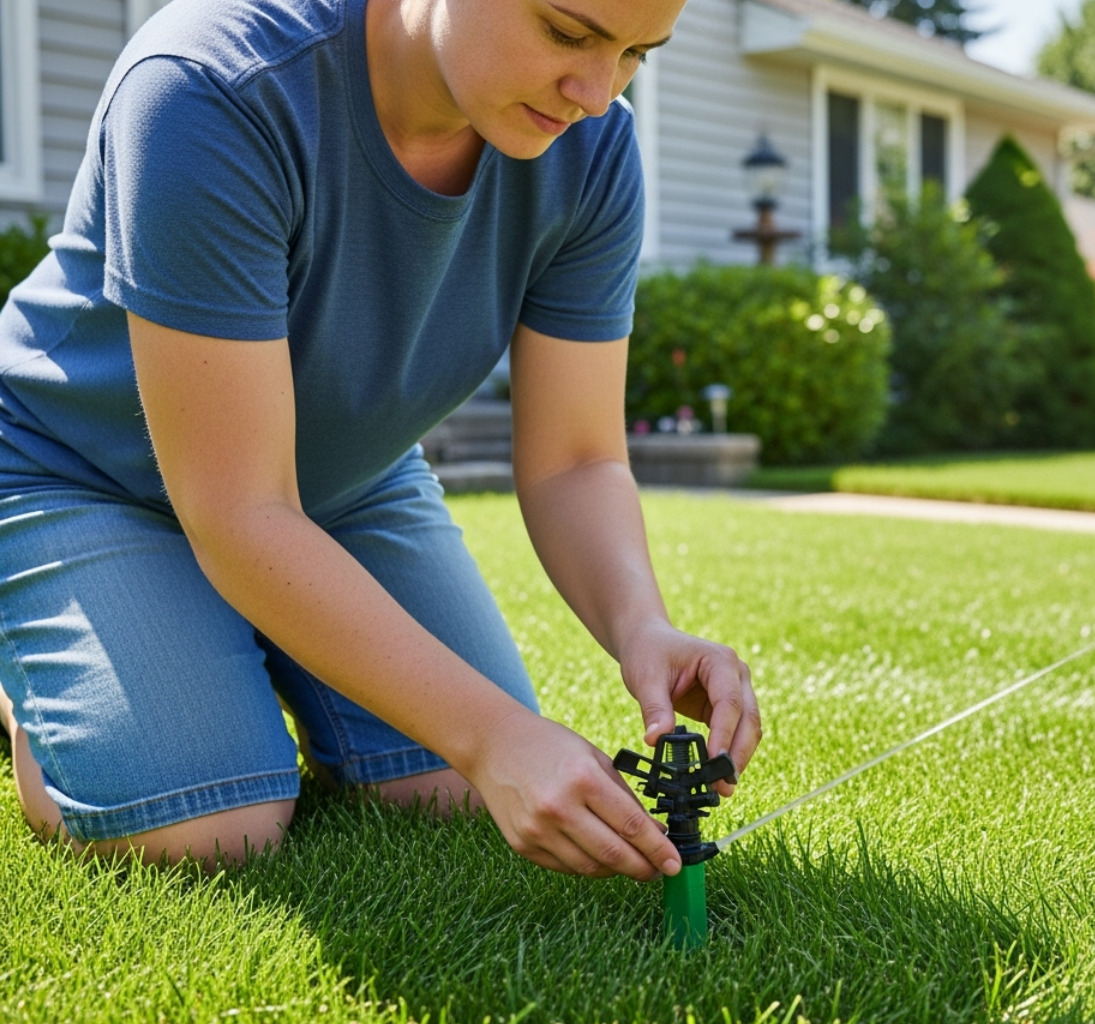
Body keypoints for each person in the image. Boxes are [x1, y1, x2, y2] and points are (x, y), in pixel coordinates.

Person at [0, 0, 759, 879]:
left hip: (343, 477)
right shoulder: (211, 87)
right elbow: (239, 509)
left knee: (449, 790)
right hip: (75, 470)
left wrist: (641, 628)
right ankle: (37, 676)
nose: (596, 92)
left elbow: (576, 459)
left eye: (636, 53)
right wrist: (497, 733)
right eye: (566, 32)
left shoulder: (590, 153)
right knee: (203, 829)